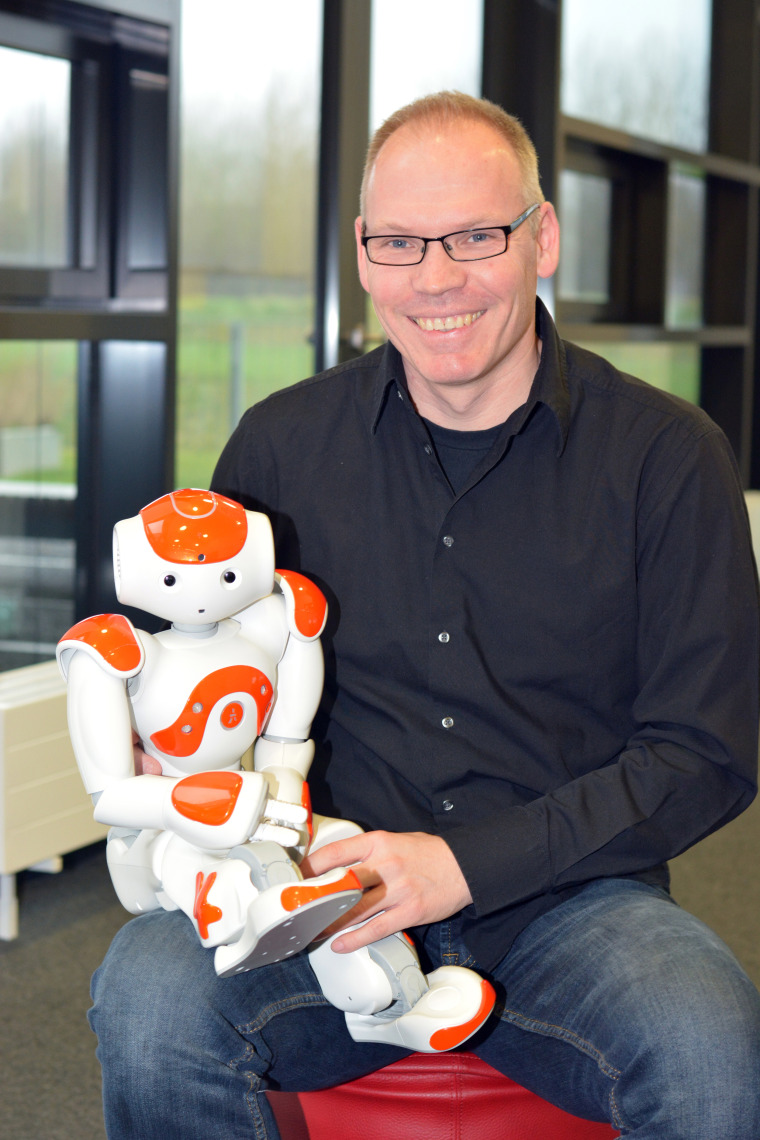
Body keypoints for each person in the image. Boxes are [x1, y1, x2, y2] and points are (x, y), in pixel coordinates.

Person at [89, 92, 760, 1139]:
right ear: (361, 254)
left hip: (568, 905)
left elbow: (704, 751)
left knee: (710, 1047)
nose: (435, 278)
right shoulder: (279, 448)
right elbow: (214, 668)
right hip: (318, 896)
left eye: (474, 236)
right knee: (149, 1006)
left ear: (541, 238)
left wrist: (462, 866)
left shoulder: (666, 461)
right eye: (400, 241)